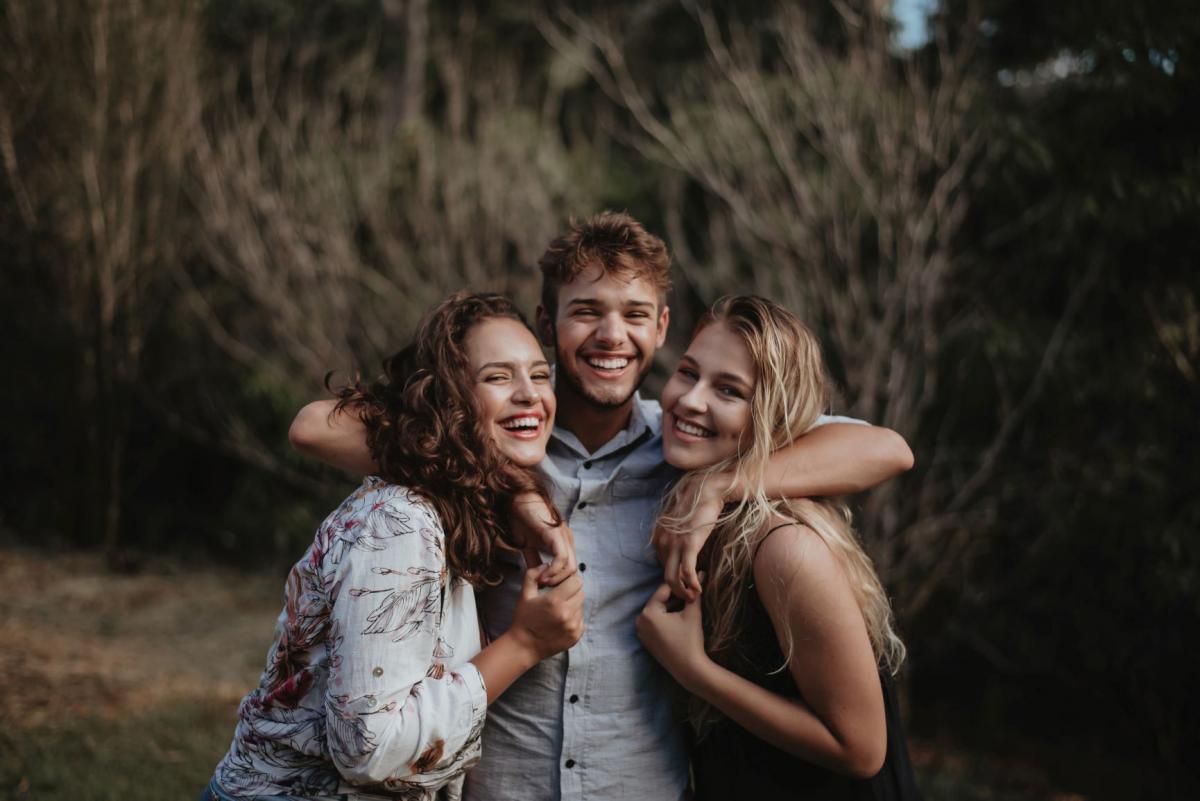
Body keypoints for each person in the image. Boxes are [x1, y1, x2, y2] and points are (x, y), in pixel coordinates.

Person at [289, 212, 914, 801]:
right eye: (586, 311)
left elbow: (886, 448)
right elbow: (315, 427)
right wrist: (513, 493)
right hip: (501, 786)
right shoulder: (498, 433)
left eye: (635, 314)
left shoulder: (689, 448)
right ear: (546, 322)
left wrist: (719, 487)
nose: (612, 335)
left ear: (662, 328)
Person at [203, 292, 584, 801]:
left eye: (539, 375)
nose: (529, 394)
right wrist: (525, 644)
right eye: (497, 377)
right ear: (449, 399)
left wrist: (519, 494)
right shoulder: (400, 523)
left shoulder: (457, 505)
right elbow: (368, 749)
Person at [637, 295, 922, 800]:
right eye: (687, 373)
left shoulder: (784, 547)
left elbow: (861, 749)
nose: (690, 400)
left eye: (728, 390)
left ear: (773, 416)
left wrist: (693, 670)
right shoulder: (702, 513)